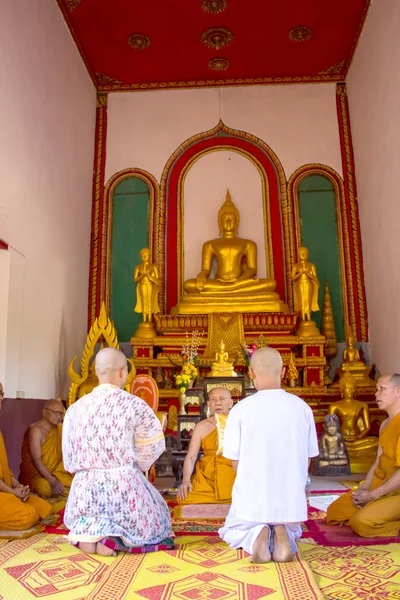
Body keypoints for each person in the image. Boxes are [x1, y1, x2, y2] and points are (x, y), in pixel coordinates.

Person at [63, 347, 171, 556]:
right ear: (124, 372)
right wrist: (134, 468)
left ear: (96, 371)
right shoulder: (134, 405)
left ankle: (89, 536)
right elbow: (151, 447)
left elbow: (69, 457)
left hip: (85, 492)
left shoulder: (75, 408)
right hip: (123, 486)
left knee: (90, 518)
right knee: (158, 520)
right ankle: (111, 540)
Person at [219, 347, 319, 563]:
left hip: (253, 499)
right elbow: (308, 459)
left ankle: (257, 534)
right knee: (293, 526)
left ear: (251, 373)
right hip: (290, 499)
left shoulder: (240, 410)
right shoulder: (302, 408)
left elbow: (235, 461)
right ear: (283, 373)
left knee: (231, 531)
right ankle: (283, 532)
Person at [326, 374, 400, 537]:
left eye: (382, 389)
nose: (376, 393)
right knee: (335, 512)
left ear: (398, 391)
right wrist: (365, 488)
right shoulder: (386, 424)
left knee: (361, 523)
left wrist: (373, 495)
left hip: (397, 490)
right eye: (376, 389)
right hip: (380, 483)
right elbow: (377, 461)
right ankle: (378, 510)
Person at [0, 382, 53, 530]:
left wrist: (17, 486)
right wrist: (12, 492)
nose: (2, 397)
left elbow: (4, 469)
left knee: (43, 507)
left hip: (4, 491)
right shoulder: (35, 430)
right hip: (4, 493)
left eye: (2, 393)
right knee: (28, 515)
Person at [177, 387, 236, 505]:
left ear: (230, 403)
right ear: (209, 404)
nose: (217, 403)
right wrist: (185, 480)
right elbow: (191, 457)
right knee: (185, 497)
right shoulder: (201, 426)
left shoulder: (238, 423)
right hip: (207, 474)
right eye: (213, 400)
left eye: (222, 399)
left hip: (231, 470)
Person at [20, 399, 72, 498]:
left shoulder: (58, 430)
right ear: (44, 412)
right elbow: (36, 460)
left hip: (55, 473)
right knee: (44, 488)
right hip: (36, 474)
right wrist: (52, 481)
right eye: (56, 413)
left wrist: (55, 479)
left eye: (61, 414)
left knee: (74, 485)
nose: (59, 416)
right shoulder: (36, 430)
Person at [134, 247, 161, 322]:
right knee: (143, 302)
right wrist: (143, 275)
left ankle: (149, 321)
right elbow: (135, 279)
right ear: (140, 256)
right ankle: (144, 320)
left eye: (146, 254)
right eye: (143, 255)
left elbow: (158, 280)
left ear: (149, 256)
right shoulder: (138, 267)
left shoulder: (153, 266)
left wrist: (149, 276)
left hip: (150, 284)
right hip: (142, 285)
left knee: (149, 302)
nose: (145, 256)